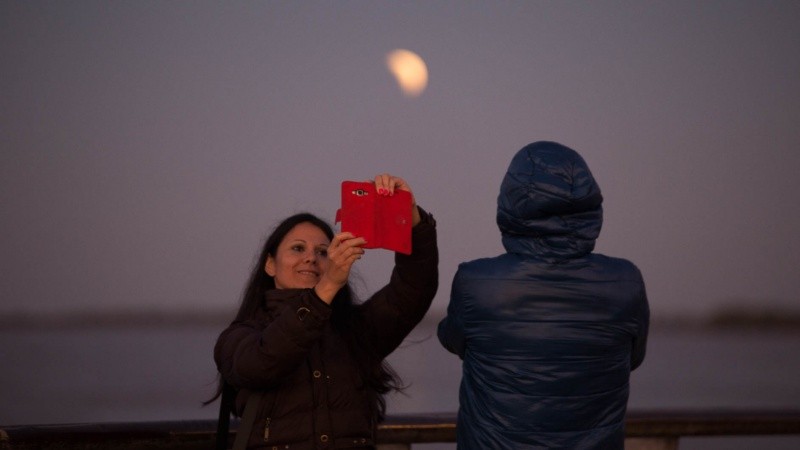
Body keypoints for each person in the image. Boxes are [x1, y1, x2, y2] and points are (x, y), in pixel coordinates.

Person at [437, 141, 649, 449]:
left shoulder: (476, 282)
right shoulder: (625, 281)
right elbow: (632, 358)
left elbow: (452, 339)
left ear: (509, 204)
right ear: (591, 207)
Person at [210, 173, 438, 450]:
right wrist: (328, 286)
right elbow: (261, 365)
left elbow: (414, 289)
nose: (311, 258)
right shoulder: (239, 336)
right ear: (270, 264)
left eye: (322, 251)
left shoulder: (356, 330)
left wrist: (410, 216)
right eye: (297, 248)